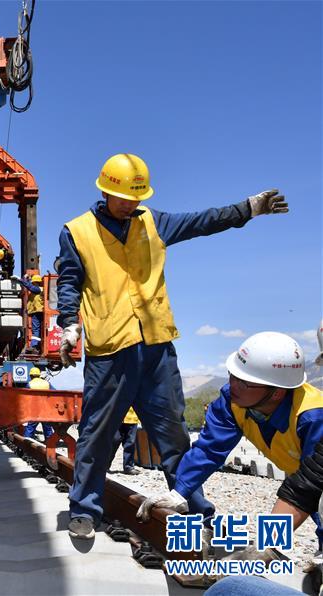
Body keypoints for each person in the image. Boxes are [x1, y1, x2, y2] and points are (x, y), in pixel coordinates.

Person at [57, 152, 288, 539]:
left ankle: (195, 511)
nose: (131, 204)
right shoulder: (77, 231)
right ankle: (84, 509)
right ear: (106, 191)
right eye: (125, 197)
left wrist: (248, 209)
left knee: (174, 434)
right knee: (97, 432)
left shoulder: (153, 222)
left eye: (137, 197)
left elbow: (202, 221)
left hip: (157, 349)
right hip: (109, 351)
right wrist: (68, 323)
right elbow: (69, 280)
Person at [137, 332, 323, 551]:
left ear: (277, 393)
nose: (232, 384)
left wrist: (267, 545)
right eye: (232, 375)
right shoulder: (232, 402)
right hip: (305, 480)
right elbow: (209, 450)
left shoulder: (313, 418)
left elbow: (310, 485)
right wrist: (179, 492)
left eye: (243, 382)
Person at [24, 368, 54, 440]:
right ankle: (50, 444)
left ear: (31, 376)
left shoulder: (29, 384)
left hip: (35, 410)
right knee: (48, 429)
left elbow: (25, 398)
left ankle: (26, 443)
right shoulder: (47, 383)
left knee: (30, 428)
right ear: (39, 375)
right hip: (46, 410)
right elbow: (55, 393)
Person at [109, 408, 140, 475]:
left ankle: (128, 467)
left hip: (132, 418)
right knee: (114, 441)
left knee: (130, 443)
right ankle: (105, 465)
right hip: (116, 417)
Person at [23, 274, 44, 355]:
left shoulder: (38, 289)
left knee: (36, 329)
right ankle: (36, 345)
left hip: (37, 311)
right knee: (37, 329)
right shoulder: (39, 289)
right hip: (37, 311)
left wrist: (23, 280)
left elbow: (30, 287)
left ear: (35, 282)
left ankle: (34, 345)